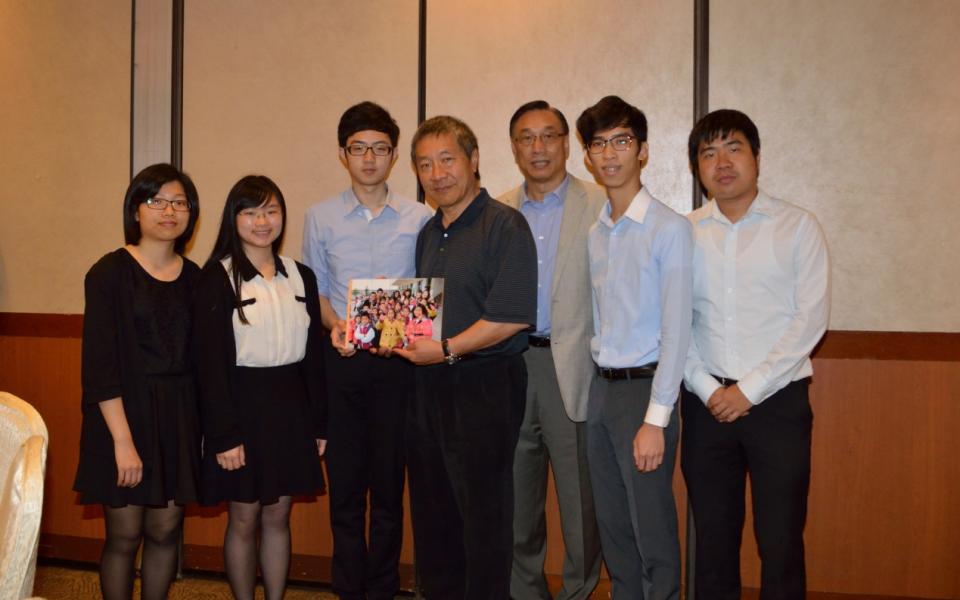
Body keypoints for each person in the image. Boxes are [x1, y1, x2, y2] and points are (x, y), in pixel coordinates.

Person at [682, 109, 830, 599]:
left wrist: (748, 390)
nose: (722, 162)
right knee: (713, 542)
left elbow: (809, 321)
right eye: (708, 153)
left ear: (757, 158)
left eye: (734, 148)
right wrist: (708, 388)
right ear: (697, 168)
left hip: (778, 406)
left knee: (781, 539)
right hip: (706, 408)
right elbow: (674, 326)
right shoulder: (682, 234)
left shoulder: (798, 227)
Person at [394, 115, 537, 599]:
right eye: (425, 164)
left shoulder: (505, 224)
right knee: (434, 514)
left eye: (447, 159)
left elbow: (513, 316)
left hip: (485, 385)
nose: (437, 174)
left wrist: (448, 350)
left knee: (483, 516)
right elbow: (423, 316)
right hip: (429, 385)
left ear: (474, 160)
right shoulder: (429, 232)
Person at [301, 101, 431, 600]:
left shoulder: (420, 217)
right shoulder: (321, 217)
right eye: (359, 149)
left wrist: (397, 338)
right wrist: (336, 326)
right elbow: (319, 291)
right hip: (345, 365)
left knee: (389, 491)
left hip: (400, 370)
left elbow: (424, 291)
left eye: (380, 149)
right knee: (348, 490)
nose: (370, 158)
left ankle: (382, 588)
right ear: (343, 155)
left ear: (395, 156)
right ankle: (347, 589)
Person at [576, 96, 692, 599]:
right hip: (601, 392)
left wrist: (656, 418)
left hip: (645, 394)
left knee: (652, 529)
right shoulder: (596, 232)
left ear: (642, 151)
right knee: (614, 528)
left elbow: (679, 330)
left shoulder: (669, 229)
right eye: (598, 143)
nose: (609, 154)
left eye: (621, 141)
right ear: (587, 156)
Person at [194, 175, 326, 600]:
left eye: (270, 211)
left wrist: (320, 424)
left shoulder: (300, 275)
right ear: (234, 219)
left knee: (279, 514)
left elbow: (315, 358)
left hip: (291, 408)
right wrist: (223, 435)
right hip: (241, 407)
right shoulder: (217, 278)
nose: (262, 221)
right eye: (250, 212)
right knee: (245, 515)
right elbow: (209, 366)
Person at [73, 163, 201, 600]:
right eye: (157, 201)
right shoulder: (109, 273)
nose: (169, 211)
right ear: (136, 210)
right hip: (122, 416)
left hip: (177, 417)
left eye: (179, 202)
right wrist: (122, 442)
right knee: (125, 536)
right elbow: (99, 367)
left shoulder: (197, 278)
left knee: (166, 531)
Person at [496, 100, 604, 600]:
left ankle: (580, 592)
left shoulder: (602, 203)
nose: (538, 148)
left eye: (548, 136)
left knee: (581, 501)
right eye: (526, 137)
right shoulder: (495, 211)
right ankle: (526, 593)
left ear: (567, 144)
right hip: (510, 367)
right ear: (514, 147)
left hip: (575, 367)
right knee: (518, 500)